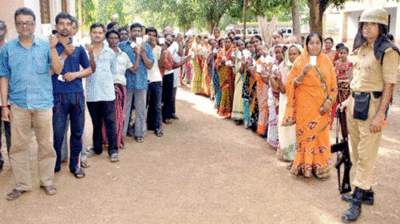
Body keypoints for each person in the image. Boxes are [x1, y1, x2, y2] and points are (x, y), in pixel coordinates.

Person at [340, 7, 400, 222]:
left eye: (372, 24)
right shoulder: (362, 48)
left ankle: (357, 202)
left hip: (373, 106)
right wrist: (348, 100)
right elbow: (357, 79)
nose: (367, 27)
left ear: (381, 26)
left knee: (366, 155)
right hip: (356, 103)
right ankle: (367, 192)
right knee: (356, 151)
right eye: (364, 24)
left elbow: (389, 85)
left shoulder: (388, 51)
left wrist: (380, 115)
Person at [0, 7, 63, 200]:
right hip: (18, 104)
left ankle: (47, 181)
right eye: (20, 23)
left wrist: (53, 49)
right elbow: (4, 77)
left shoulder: (46, 45)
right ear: (15, 25)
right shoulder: (7, 48)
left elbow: (58, 68)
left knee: (46, 145)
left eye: (28, 22)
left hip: (43, 103)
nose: (24, 26)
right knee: (18, 146)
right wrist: (4, 105)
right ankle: (22, 184)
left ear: (35, 24)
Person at [282, 33, 337, 179]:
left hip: (321, 107)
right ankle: (305, 167)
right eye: (311, 43)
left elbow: (333, 86)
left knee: (321, 137)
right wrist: (302, 74)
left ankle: (320, 168)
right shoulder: (299, 62)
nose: (314, 46)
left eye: (317, 43)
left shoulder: (327, 62)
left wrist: (328, 101)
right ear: (306, 45)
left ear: (321, 44)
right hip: (304, 107)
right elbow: (290, 84)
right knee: (305, 136)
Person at [52, 12, 92, 178]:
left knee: (77, 132)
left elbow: (89, 69)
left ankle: (75, 166)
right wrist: (63, 54)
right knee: (57, 133)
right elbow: (48, 71)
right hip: (58, 96)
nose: (65, 27)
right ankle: (54, 165)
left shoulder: (78, 47)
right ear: (56, 26)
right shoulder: (50, 47)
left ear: (72, 26)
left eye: (68, 24)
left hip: (76, 95)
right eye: (61, 24)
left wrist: (75, 75)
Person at [85, 23, 119, 161]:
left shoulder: (110, 52)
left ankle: (113, 150)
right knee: (96, 122)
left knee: (111, 122)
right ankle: (97, 148)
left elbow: (113, 70)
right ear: (90, 34)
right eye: (94, 32)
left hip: (107, 93)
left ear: (104, 34)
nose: (97, 35)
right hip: (92, 93)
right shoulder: (84, 51)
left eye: (100, 32)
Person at [119, 23, 154, 143]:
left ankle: (140, 133)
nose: (137, 33)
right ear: (130, 32)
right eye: (134, 30)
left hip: (141, 83)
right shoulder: (122, 46)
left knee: (140, 110)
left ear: (142, 33)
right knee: (125, 109)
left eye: (139, 31)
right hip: (126, 83)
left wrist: (142, 52)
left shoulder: (147, 47)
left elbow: (149, 65)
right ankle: (121, 134)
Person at [105, 30, 136, 148]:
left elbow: (134, 70)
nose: (113, 40)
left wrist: (138, 54)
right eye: (111, 38)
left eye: (115, 38)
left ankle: (117, 140)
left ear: (119, 40)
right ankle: (107, 140)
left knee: (120, 116)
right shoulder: (104, 54)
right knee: (108, 117)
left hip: (121, 88)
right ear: (107, 40)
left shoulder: (124, 55)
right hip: (107, 88)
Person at [276, 44, 302, 166]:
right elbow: (282, 90)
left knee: (297, 129)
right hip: (285, 101)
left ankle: (298, 159)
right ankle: (291, 157)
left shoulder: (303, 68)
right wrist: (278, 80)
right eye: (290, 54)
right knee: (286, 127)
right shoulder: (284, 68)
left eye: (294, 53)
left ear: (300, 54)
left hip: (300, 102)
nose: (292, 56)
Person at [146, 27, 164, 137]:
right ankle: (145, 125)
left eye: (154, 35)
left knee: (157, 105)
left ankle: (157, 127)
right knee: (144, 105)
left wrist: (163, 51)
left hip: (156, 79)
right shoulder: (142, 47)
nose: (151, 37)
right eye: (149, 34)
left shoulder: (158, 48)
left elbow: (161, 65)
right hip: (145, 79)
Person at [267, 45, 284, 146]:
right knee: (274, 117)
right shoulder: (273, 64)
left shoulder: (284, 65)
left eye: (280, 52)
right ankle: (274, 141)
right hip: (273, 93)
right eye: (276, 53)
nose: (278, 55)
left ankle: (280, 142)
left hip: (280, 94)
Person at [0, 19, 11, 174]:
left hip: (10, 98)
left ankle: (15, 161)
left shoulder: (10, 48)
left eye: (1, 28)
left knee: (12, 133)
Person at [215, 37, 235, 117]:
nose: (226, 43)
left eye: (228, 42)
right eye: (225, 42)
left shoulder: (233, 51)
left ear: (231, 42)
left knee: (230, 90)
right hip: (223, 74)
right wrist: (221, 63)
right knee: (224, 90)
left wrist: (229, 61)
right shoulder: (221, 52)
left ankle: (230, 110)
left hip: (230, 74)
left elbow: (235, 62)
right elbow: (217, 63)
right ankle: (224, 110)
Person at [231, 39, 246, 123]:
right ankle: (238, 116)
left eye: (242, 45)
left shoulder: (247, 53)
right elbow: (235, 69)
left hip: (246, 76)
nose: (241, 47)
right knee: (238, 95)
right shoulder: (235, 55)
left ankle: (245, 116)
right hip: (239, 76)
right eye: (239, 45)